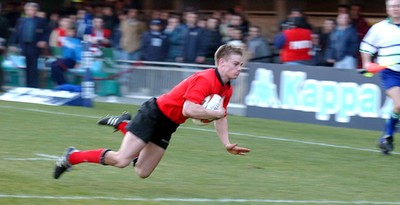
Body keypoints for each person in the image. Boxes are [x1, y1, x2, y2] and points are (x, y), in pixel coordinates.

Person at [53, 44, 251, 179]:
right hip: (154, 114)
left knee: (142, 172)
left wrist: (226, 143)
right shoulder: (206, 79)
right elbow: (189, 109)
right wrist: (215, 114)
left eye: (241, 65)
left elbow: (220, 116)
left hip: (169, 125)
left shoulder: (227, 88)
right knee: (122, 160)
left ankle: (124, 125)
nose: (239, 68)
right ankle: (72, 156)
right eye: (235, 64)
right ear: (221, 63)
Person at [359, 0, 400, 154]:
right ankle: (388, 135)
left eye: (398, 6)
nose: (395, 9)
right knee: (399, 104)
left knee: (397, 107)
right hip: (390, 72)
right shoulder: (379, 28)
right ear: (387, 9)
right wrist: (367, 63)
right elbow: (366, 47)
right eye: (392, 6)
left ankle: (387, 136)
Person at [9, 2, 48, 88]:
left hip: (34, 45)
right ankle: (27, 84)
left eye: (33, 9)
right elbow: (16, 33)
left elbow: (46, 32)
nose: (30, 11)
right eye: (28, 9)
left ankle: (33, 85)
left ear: (36, 10)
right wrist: (13, 43)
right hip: (23, 45)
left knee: (33, 65)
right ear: (25, 10)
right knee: (25, 64)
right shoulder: (21, 20)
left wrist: (43, 41)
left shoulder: (41, 20)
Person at [0, 3, 9, 92]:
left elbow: (6, 35)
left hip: (0, 46)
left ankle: (0, 85)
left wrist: (4, 46)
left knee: (0, 67)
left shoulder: (4, 20)